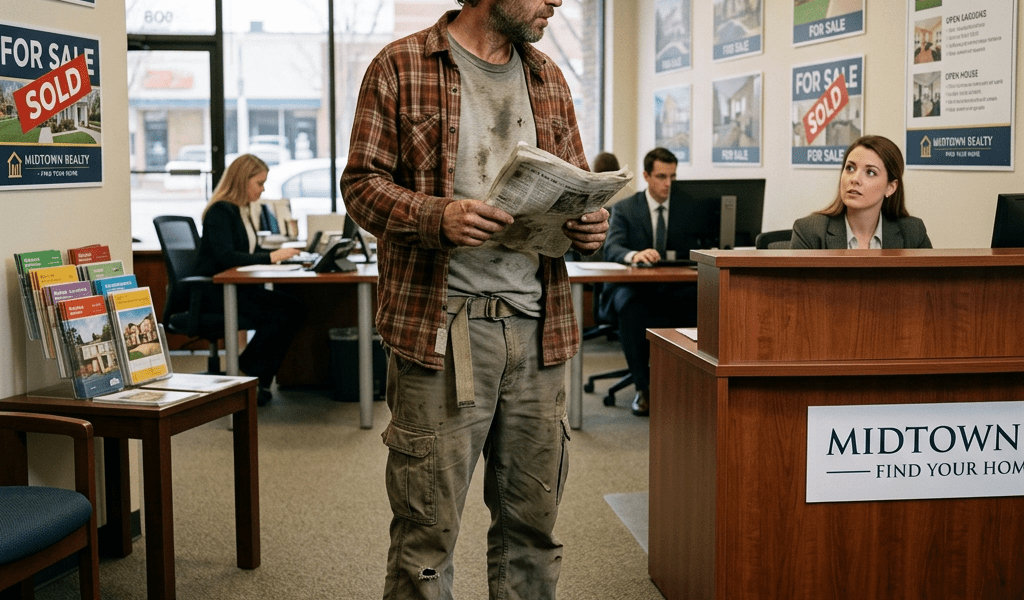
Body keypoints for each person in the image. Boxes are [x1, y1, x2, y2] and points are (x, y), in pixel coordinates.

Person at [339, 0, 609, 595]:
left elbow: (576, 188)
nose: (556, 2)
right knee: (426, 537)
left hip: (539, 334)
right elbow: (360, 187)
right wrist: (438, 216)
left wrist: (591, 224)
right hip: (443, 333)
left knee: (532, 531)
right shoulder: (401, 64)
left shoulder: (548, 77)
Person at [196, 154, 307, 405]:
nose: (263, 189)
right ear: (242, 180)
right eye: (259, 183)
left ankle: (252, 375)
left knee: (293, 308)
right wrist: (271, 258)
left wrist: (275, 256)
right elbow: (226, 257)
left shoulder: (242, 210)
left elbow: (244, 254)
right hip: (216, 294)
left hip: (238, 289)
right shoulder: (220, 211)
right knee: (288, 311)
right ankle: (248, 373)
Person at [599, 147, 700, 417]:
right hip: (634, 287)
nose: (668, 184)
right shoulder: (625, 209)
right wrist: (634, 255)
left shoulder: (688, 208)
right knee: (634, 309)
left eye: (673, 177)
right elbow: (613, 248)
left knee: (702, 302)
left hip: (675, 286)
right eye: (661, 176)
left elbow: (701, 245)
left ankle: (690, 386)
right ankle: (644, 389)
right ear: (646, 176)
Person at [791, 135, 932, 250]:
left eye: (870, 172)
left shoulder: (913, 232)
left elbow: (930, 285)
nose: (855, 179)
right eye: (850, 168)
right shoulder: (809, 231)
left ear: (890, 187)